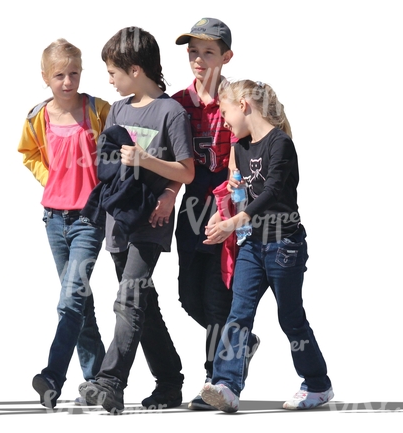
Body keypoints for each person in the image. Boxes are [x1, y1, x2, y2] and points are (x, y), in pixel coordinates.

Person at [142, 17, 260, 411]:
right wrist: (168, 194)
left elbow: (239, 164)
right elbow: (172, 159)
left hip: (224, 210)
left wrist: (227, 212)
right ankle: (239, 341)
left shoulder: (237, 102)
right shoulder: (176, 104)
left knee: (214, 296)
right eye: (192, 51)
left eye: (208, 52)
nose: (198, 58)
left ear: (226, 57)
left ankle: (216, 378)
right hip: (190, 210)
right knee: (187, 295)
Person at [78, 26, 195, 414]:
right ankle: (170, 381)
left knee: (128, 301)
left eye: (113, 72)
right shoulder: (119, 110)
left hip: (152, 223)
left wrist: (147, 164)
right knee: (143, 303)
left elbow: (187, 171)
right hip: (118, 221)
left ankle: (111, 381)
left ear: (134, 69)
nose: (109, 79)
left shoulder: (171, 112)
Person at [199, 78, 333, 413]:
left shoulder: (280, 143)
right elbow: (244, 197)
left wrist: (234, 222)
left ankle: (317, 384)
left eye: (226, 112)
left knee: (290, 318)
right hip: (252, 247)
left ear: (244, 105)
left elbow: (272, 191)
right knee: (238, 314)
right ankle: (226, 385)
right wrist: (225, 212)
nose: (224, 121)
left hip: (283, 245)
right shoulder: (240, 148)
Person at [17, 39, 110, 409]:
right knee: (80, 301)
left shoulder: (99, 110)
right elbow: (28, 153)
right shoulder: (37, 117)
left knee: (70, 297)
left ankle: (52, 376)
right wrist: (50, 177)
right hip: (54, 218)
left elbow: (117, 152)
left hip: (90, 218)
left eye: (74, 73)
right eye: (59, 75)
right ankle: (100, 378)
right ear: (45, 77)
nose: (68, 82)